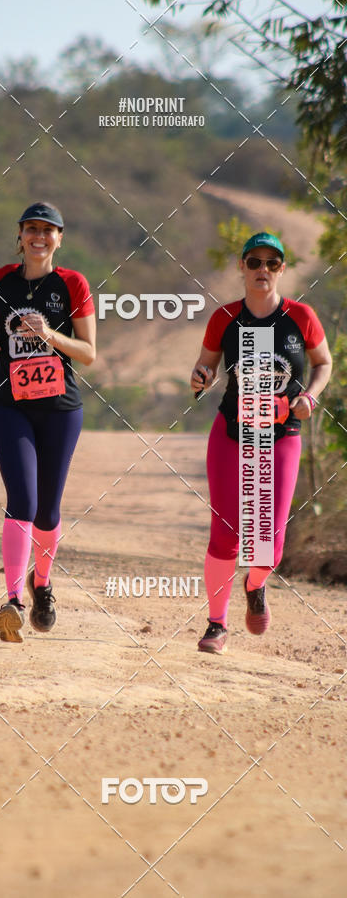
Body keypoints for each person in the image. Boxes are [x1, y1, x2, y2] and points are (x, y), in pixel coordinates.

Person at [190, 232, 332, 654]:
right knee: (225, 533)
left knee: (268, 540)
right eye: (254, 262)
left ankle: (255, 585)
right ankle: (216, 624)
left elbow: (323, 363)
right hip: (232, 432)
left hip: (282, 436)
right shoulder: (225, 318)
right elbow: (205, 366)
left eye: (272, 263)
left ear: (282, 269)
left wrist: (310, 396)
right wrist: (199, 376)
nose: (262, 271)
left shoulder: (301, 317)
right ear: (242, 267)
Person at [0, 202, 96, 642]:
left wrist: (50, 336)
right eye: (31, 228)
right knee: (21, 499)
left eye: (48, 230)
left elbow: (88, 352)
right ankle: (12, 601)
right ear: (20, 234)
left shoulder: (73, 284)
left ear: (60, 238)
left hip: (61, 408)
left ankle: (40, 582)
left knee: (48, 510)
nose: (39, 236)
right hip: (9, 404)